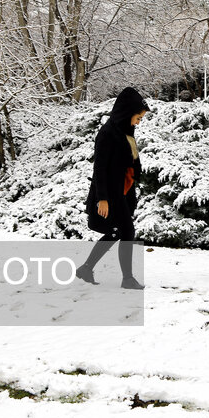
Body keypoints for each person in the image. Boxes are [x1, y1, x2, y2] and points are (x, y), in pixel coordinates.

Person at [76, 87, 149, 289]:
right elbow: (99, 167)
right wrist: (102, 199)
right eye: (138, 118)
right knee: (126, 231)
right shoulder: (107, 133)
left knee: (117, 233)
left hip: (123, 192)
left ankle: (86, 268)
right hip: (110, 193)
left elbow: (133, 159)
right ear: (127, 113)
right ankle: (127, 279)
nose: (138, 122)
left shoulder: (127, 132)